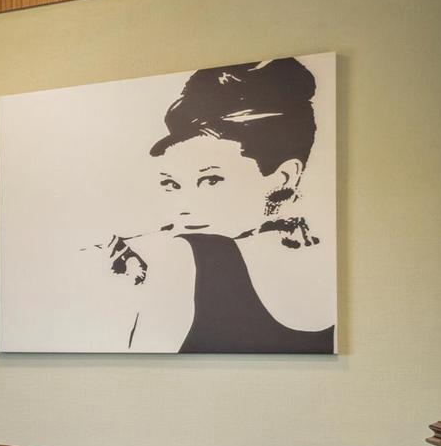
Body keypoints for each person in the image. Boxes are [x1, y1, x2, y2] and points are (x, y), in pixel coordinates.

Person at [104, 58, 335, 353]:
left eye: (212, 180)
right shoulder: (330, 259)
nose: (184, 208)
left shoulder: (189, 254)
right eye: (172, 185)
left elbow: (141, 377)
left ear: (284, 177)